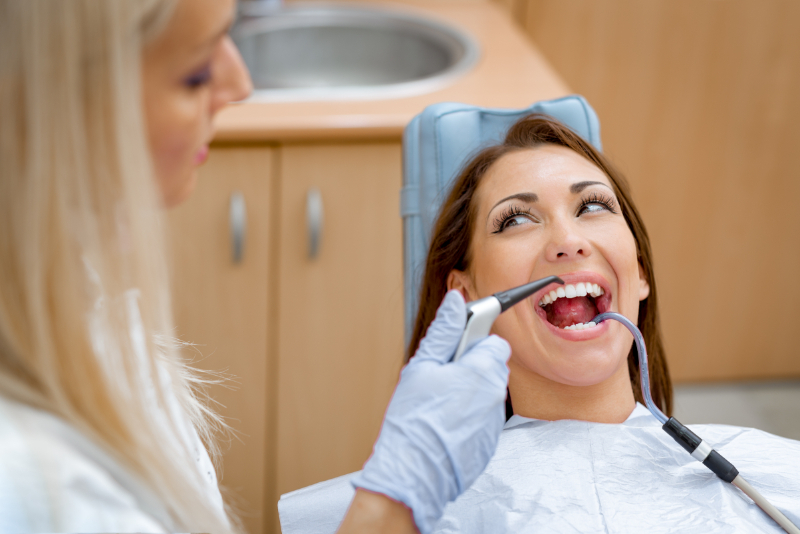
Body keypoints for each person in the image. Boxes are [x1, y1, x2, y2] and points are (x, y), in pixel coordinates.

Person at [0, 1, 510, 533]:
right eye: (195, 73)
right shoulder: (32, 476)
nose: (240, 85)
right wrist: (395, 500)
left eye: (594, 205)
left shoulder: (73, 291)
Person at [278, 115, 800, 533]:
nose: (567, 241)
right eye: (516, 220)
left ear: (638, 273)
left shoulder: (774, 473)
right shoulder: (393, 507)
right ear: (465, 297)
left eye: (592, 206)